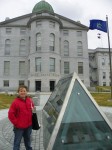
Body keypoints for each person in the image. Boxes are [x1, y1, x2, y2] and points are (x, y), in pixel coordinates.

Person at [8, 85, 34, 150]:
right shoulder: (15, 102)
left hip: (28, 126)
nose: (22, 92)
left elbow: (33, 110)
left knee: (28, 141)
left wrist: (33, 119)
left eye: (24, 91)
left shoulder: (29, 100)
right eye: (21, 91)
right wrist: (16, 123)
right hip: (19, 127)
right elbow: (10, 114)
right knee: (17, 143)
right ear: (18, 92)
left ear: (26, 92)